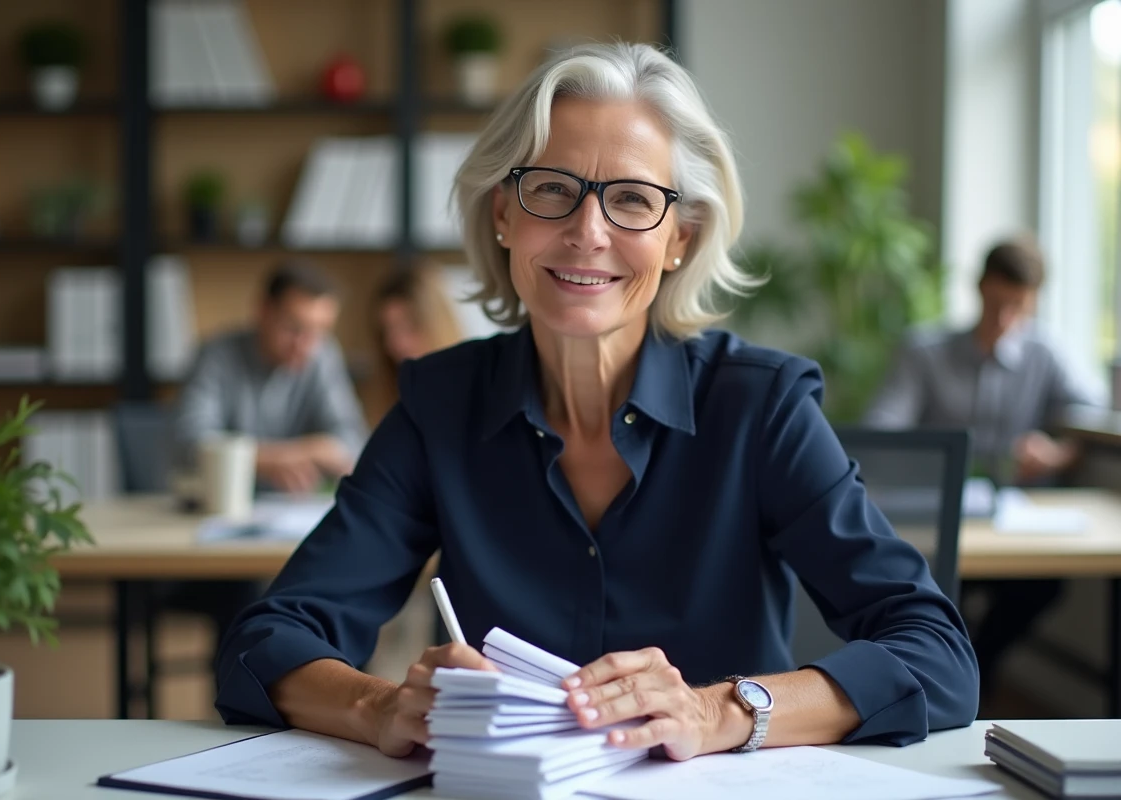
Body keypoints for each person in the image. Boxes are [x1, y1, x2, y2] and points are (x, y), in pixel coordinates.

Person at [215, 42, 978, 761]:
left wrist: (721, 712)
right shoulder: (439, 404)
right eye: (552, 190)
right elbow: (267, 642)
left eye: (633, 200)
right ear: (504, 215)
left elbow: (937, 656)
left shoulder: (761, 407)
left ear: (680, 236)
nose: (588, 232)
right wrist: (378, 707)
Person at [863, 237, 1104, 703]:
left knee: (1043, 586)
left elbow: (1089, 418)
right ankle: (951, 671)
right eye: (996, 303)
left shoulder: (1046, 354)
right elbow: (882, 430)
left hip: (1016, 525)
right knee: (930, 590)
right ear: (978, 289)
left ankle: (975, 664)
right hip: (937, 521)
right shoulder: (925, 352)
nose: (1004, 319)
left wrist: (1055, 452)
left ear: (1033, 302)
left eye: (1017, 306)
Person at [174, 259, 369, 493]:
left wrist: (285, 455)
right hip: (220, 504)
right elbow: (191, 442)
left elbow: (353, 442)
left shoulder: (323, 355)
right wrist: (269, 461)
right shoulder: (216, 355)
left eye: (319, 331)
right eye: (294, 328)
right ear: (263, 311)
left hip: (295, 508)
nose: (305, 344)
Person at [372, 263, 465, 417]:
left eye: (410, 327)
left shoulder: (475, 394)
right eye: (387, 331)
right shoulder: (395, 401)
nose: (397, 344)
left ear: (437, 324)